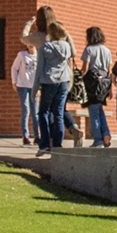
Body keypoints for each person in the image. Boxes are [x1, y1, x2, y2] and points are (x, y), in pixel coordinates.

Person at [30, 20, 77, 157]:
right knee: (58, 113)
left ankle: (44, 145)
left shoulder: (45, 47)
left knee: (43, 112)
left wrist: (34, 91)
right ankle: (57, 145)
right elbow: (71, 55)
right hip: (63, 82)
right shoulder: (67, 47)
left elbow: (39, 70)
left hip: (48, 82)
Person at [80, 27, 115, 147]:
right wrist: (110, 88)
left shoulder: (89, 49)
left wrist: (78, 78)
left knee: (93, 112)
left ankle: (98, 139)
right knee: (99, 110)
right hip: (104, 83)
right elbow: (110, 71)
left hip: (92, 84)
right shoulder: (107, 50)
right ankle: (106, 134)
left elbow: (85, 68)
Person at [12, 42, 38, 145]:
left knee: (35, 112)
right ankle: (25, 136)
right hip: (23, 86)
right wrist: (14, 82)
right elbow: (14, 68)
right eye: (29, 43)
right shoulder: (22, 55)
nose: (31, 45)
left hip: (35, 87)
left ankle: (37, 136)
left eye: (33, 42)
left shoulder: (39, 56)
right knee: (25, 109)